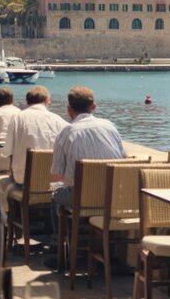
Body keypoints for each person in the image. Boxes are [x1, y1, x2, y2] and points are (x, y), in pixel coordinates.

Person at [50, 86, 125, 241]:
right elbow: (123, 160)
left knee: (55, 195)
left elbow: (58, 174)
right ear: (94, 107)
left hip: (80, 196)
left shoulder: (67, 133)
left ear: (69, 110)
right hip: (111, 195)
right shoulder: (110, 127)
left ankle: (59, 246)